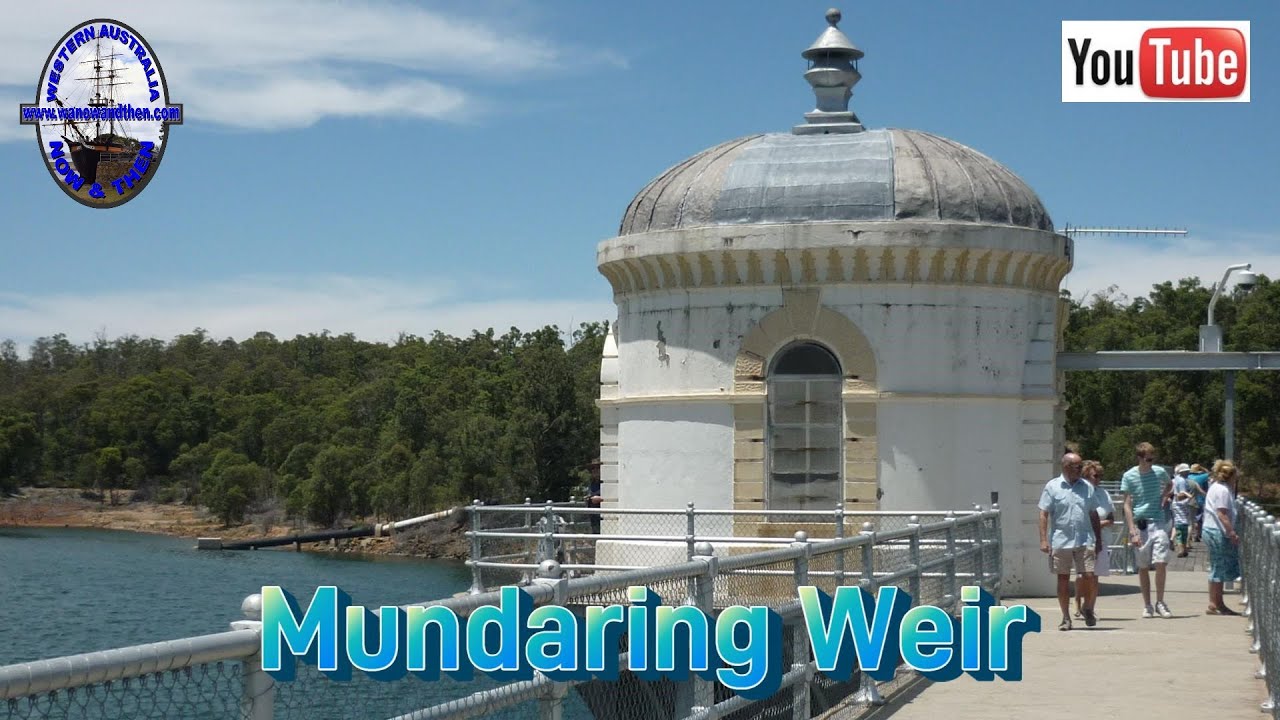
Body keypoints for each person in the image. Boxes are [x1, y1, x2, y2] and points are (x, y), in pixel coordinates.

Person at [1039, 452, 1103, 631]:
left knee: (1088, 575)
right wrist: (1044, 539)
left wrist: (1098, 540)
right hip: (1061, 539)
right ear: (1066, 467)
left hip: (1085, 538)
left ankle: (1087, 607)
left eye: (1081, 466)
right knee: (1063, 578)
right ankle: (1066, 617)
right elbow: (1043, 513)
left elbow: (1093, 513)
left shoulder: (1087, 487)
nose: (1080, 469)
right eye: (1077, 466)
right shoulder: (1052, 487)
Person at [1122, 441, 1174, 618]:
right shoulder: (1129, 476)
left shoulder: (1159, 472)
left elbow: (1170, 484)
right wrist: (1132, 530)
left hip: (1158, 521)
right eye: (1147, 459)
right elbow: (1127, 504)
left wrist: (1164, 498)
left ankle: (1160, 601)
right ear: (1139, 458)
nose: (1150, 462)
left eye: (1152, 459)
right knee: (1143, 566)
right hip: (1140, 523)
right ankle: (1147, 604)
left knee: (1161, 561)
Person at [1202, 459, 1242, 615]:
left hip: (1212, 530)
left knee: (1217, 566)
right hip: (1216, 531)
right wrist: (1231, 532)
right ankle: (1216, 603)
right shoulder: (1223, 491)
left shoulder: (1217, 487)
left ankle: (1216, 602)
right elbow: (1222, 513)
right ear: (1230, 476)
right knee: (1218, 567)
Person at [1075, 460, 1114, 618]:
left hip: (1102, 538)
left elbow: (1111, 517)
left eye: (1100, 476)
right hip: (1083, 538)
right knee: (1083, 575)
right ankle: (1077, 601)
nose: (1098, 479)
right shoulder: (1080, 492)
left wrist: (1099, 524)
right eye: (1095, 476)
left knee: (1095, 575)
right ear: (1086, 476)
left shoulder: (1104, 493)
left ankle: (1089, 607)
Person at [1171, 463, 1204, 557]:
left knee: (1179, 528)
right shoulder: (1182, 481)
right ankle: (1182, 548)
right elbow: (1180, 494)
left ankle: (1182, 547)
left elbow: (1173, 492)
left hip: (1177, 507)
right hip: (1183, 506)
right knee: (1186, 526)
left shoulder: (1175, 480)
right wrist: (1188, 496)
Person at [1188, 464, 1211, 543]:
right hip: (1199, 500)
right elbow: (1210, 473)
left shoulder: (1188, 476)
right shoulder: (1203, 476)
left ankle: (1189, 535)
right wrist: (1203, 468)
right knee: (1198, 519)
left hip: (1188, 501)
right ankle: (1197, 535)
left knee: (1190, 520)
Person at [585, 458, 603, 534]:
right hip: (593, 515)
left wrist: (601, 499)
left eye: (597, 468)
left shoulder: (606, 482)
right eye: (593, 468)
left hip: (603, 515)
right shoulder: (592, 483)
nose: (595, 470)